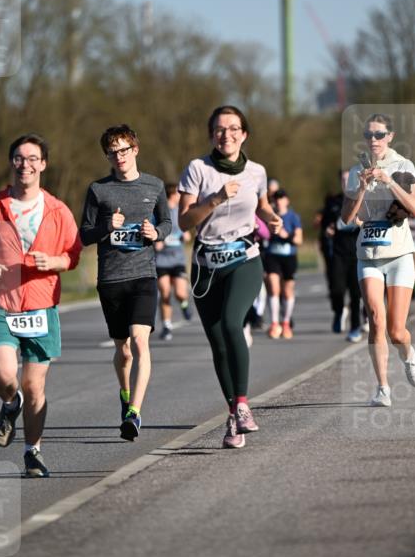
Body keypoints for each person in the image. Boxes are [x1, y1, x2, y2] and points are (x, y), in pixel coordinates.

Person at [0, 134, 82, 478]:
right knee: (5, 376)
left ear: (43, 164)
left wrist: (55, 262)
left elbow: (73, 254)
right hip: (2, 303)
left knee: (34, 387)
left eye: (32, 159)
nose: (25, 165)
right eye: (19, 158)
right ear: (11, 162)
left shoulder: (58, 210)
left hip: (41, 305)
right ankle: (9, 402)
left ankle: (33, 452)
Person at [178, 105, 282, 449]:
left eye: (234, 128)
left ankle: (242, 404)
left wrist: (272, 218)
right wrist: (215, 199)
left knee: (231, 323)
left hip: (244, 258)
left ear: (244, 134)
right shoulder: (198, 169)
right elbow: (184, 221)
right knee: (217, 341)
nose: (227, 135)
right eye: (220, 129)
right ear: (212, 135)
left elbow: (262, 206)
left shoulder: (256, 171)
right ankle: (234, 414)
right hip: (206, 265)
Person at [79, 125, 171, 440]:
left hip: (143, 275)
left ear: (135, 149)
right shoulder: (98, 190)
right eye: (112, 152)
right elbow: (85, 235)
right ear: (107, 156)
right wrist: (107, 226)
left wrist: (155, 233)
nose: (119, 156)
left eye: (124, 150)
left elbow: (167, 222)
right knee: (125, 350)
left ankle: (134, 412)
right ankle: (125, 392)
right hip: (111, 278)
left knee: (140, 340)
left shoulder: (154, 185)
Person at [341, 113, 415, 408]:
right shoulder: (356, 170)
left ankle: (409, 355)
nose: (373, 140)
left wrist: (388, 181)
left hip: (399, 254)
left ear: (390, 136)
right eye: (368, 135)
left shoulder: (404, 166)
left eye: (379, 134)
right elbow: (346, 218)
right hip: (368, 254)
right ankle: (383, 388)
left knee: (396, 331)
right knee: (376, 320)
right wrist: (361, 187)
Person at [320, 171, 363, 342]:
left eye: (349, 179)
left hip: (358, 252)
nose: (346, 182)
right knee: (337, 289)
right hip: (338, 253)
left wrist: (361, 224)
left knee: (355, 293)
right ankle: (339, 311)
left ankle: (355, 328)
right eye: (343, 180)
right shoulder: (333, 202)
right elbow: (324, 225)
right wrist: (328, 230)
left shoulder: (361, 199)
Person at [154, 184, 193, 341]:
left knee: (180, 293)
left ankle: (184, 304)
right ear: (172, 195)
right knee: (165, 293)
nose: (181, 195)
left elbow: (187, 234)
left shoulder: (180, 211)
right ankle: (166, 326)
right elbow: (152, 232)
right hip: (161, 260)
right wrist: (157, 241)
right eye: (179, 193)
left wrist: (185, 236)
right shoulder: (158, 213)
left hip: (178, 259)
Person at [264, 190, 303, 339]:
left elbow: (299, 240)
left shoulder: (293, 217)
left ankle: (286, 323)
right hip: (272, 256)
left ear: (287, 201)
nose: (279, 202)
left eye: (281, 199)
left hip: (289, 257)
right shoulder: (270, 216)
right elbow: (263, 233)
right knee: (273, 287)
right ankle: (274, 324)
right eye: (276, 199)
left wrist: (286, 236)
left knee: (287, 291)